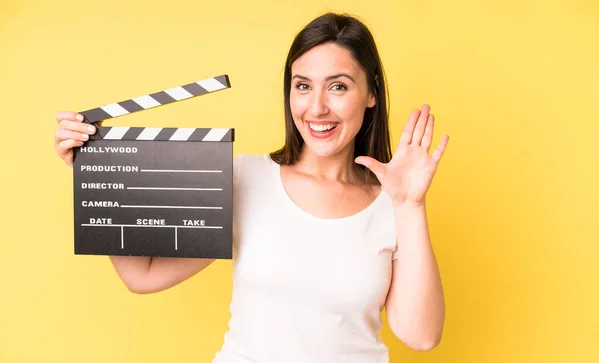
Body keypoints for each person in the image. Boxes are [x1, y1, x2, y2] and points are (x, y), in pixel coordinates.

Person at [54, 12, 449, 363]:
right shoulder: (244, 180)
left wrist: (410, 205)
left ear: (371, 93)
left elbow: (421, 335)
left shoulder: (393, 204)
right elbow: (144, 275)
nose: (316, 108)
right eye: (303, 86)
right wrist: (94, 172)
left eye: (339, 86)